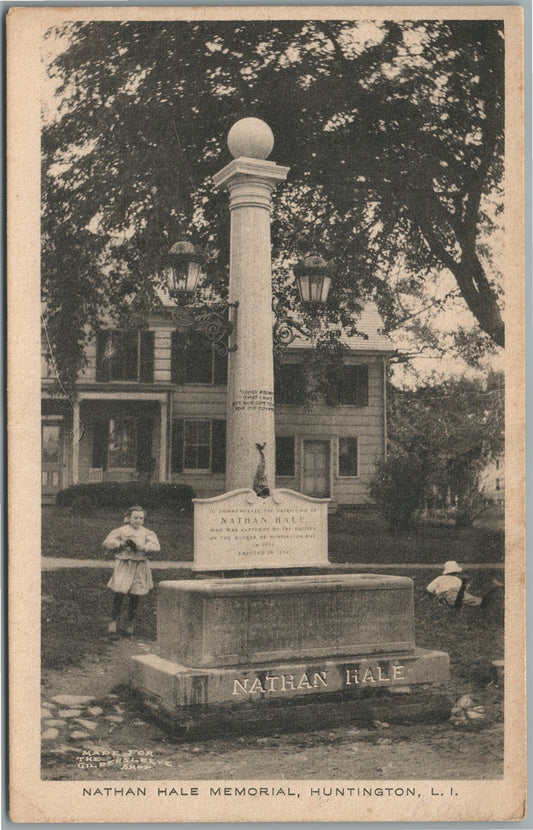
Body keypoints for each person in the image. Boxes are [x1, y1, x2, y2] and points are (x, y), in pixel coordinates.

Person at [103, 505, 160, 635]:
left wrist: (143, 547)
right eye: (135, 518)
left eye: (141, 518)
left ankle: (130, 623)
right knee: (120, 591)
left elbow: (156, 546)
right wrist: (121, 544)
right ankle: (113, 621)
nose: (138, 520)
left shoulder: (146, 532)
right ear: (128, 518)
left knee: (135, 594)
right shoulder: (121, 531)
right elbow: (107, 542)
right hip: (124, 564)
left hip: (139, 565)